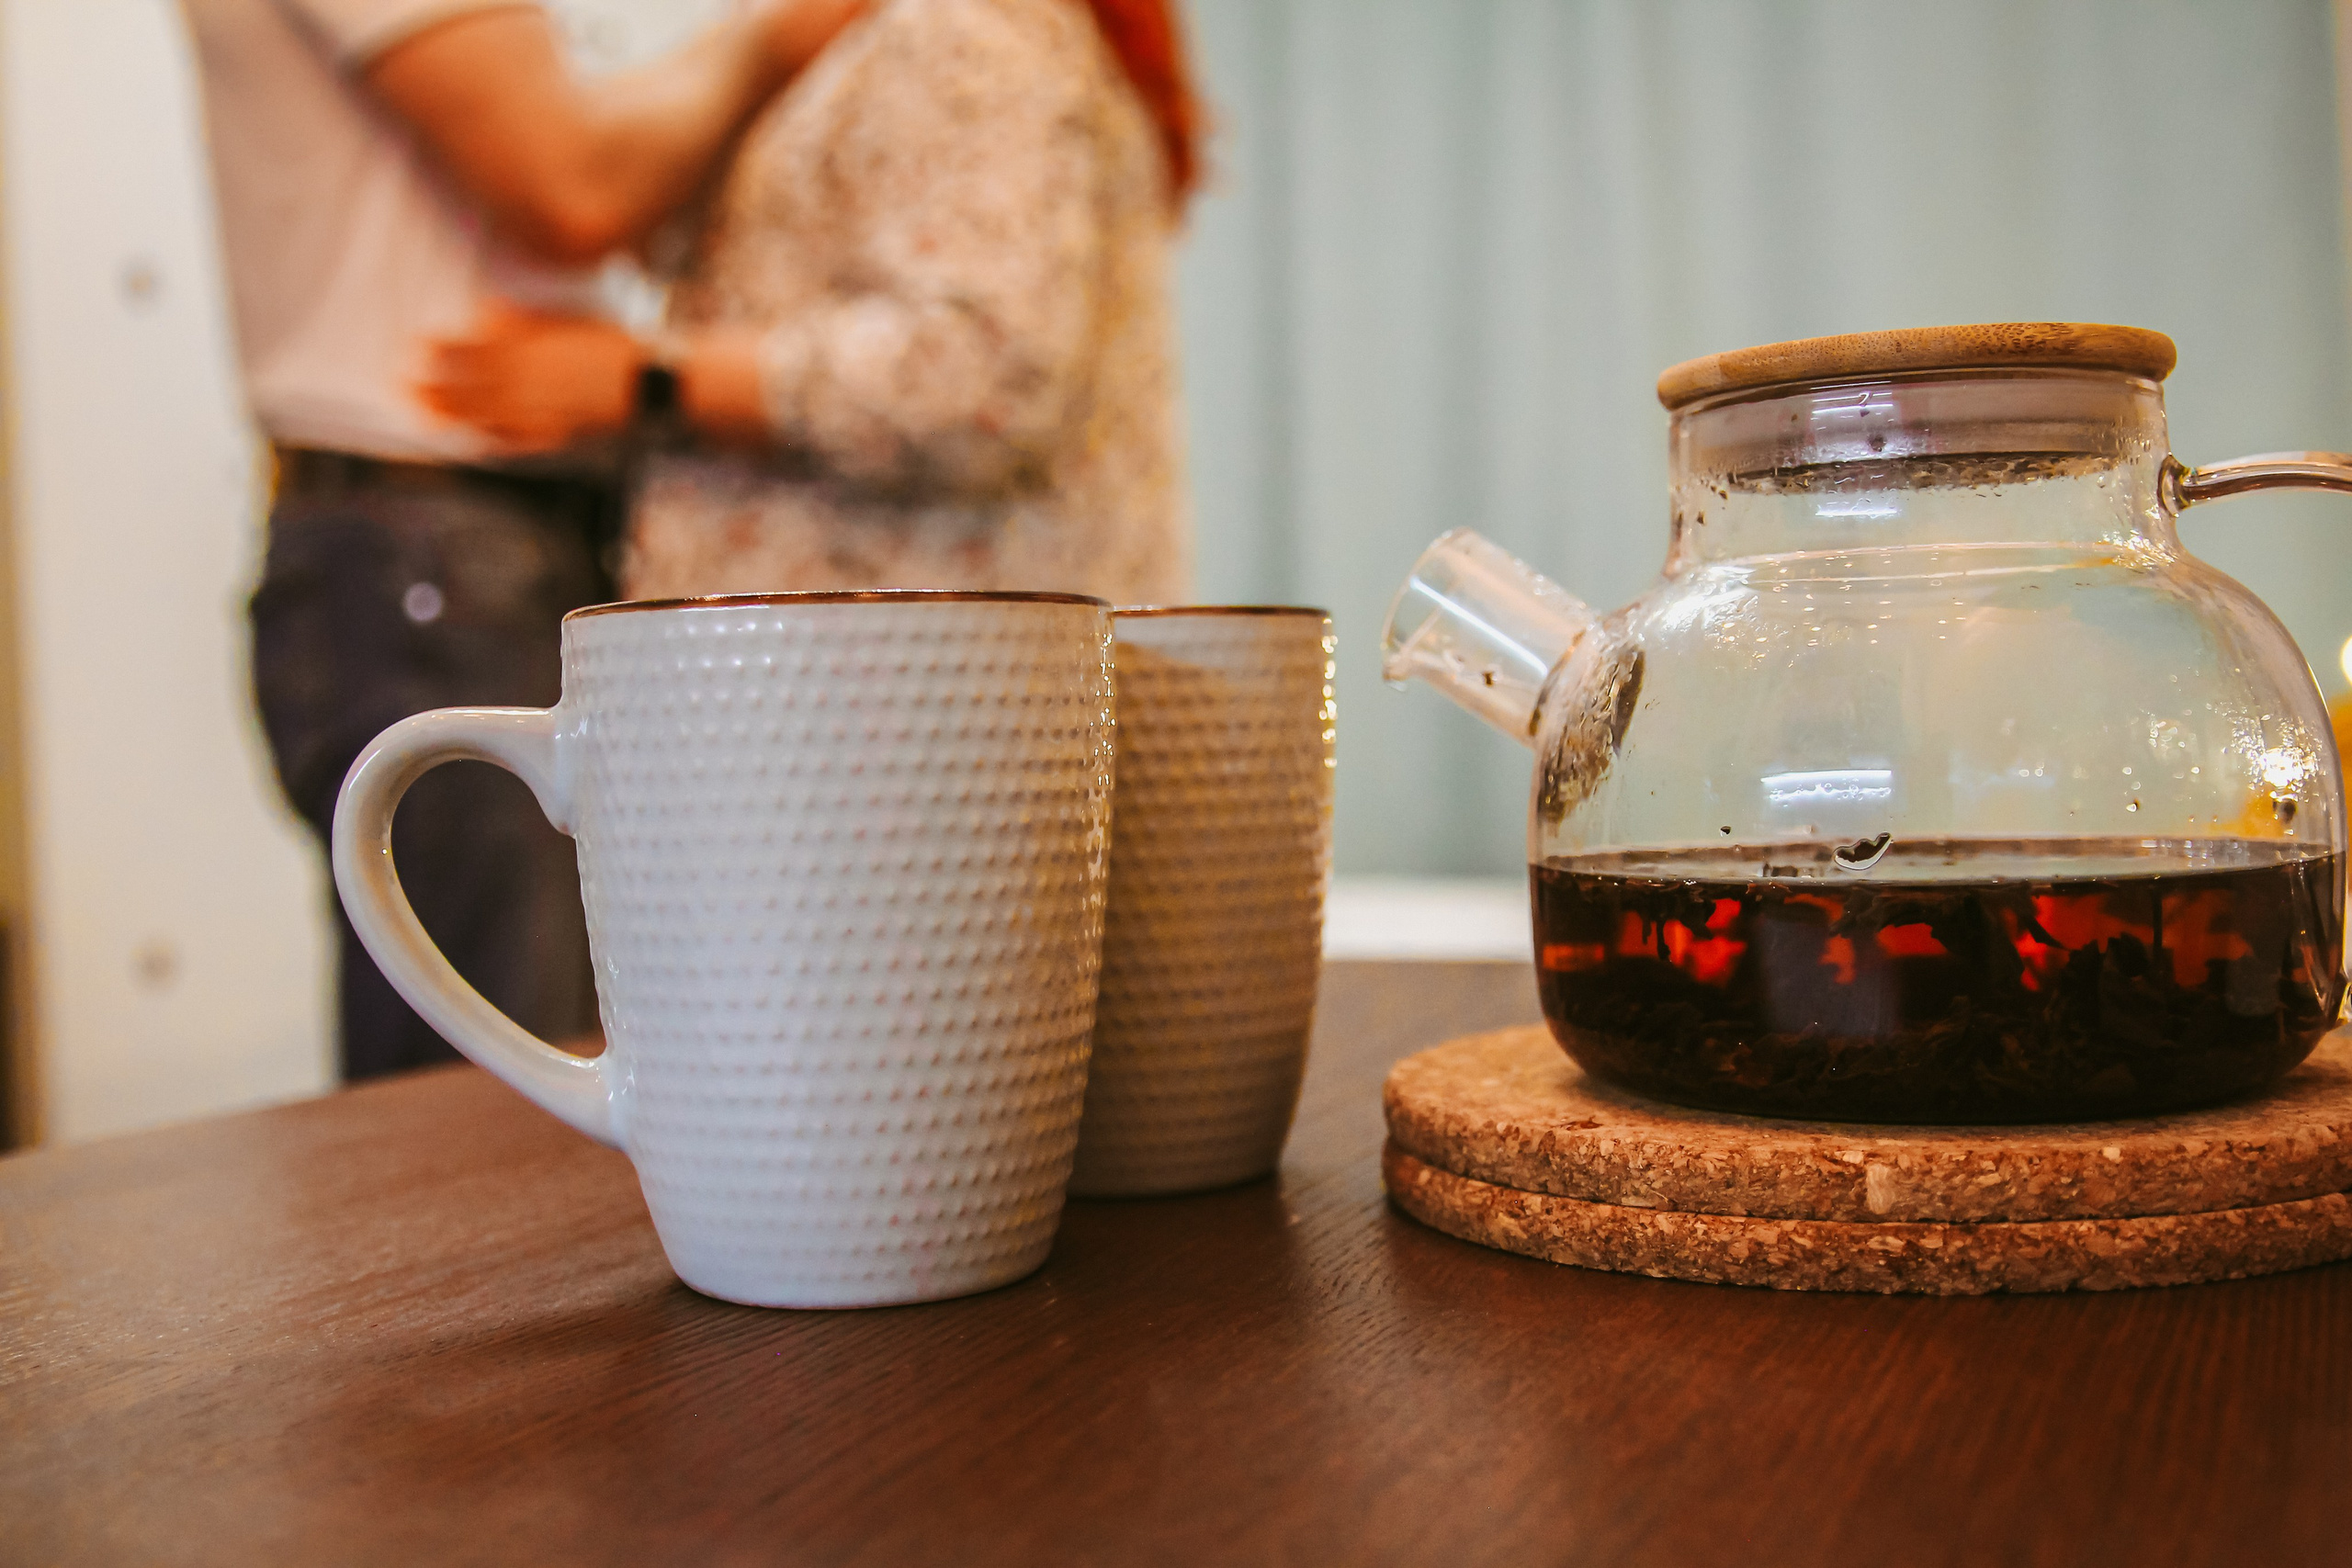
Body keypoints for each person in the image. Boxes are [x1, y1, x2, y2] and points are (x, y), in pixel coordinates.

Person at [180, 0, 862, 1079]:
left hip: (443, 554)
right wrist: (767, 37)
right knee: (495, 1106)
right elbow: (573, 185)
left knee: (503, 1086)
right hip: (437, 553)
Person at [418, 0, 1199, 609]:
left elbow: (983, 373)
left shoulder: (958, 30)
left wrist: (650, 379)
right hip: (896, 712)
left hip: (913, 718)